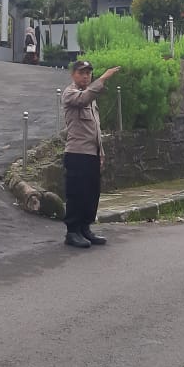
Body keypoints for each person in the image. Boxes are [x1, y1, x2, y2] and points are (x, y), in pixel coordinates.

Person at [61, 59, 121, 248]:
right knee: (76, 193)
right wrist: (103, 78)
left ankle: (85, 228)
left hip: (91, 153)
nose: (86, 76)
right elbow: (83, 98)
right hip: (77, 153)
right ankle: (73, 231)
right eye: (81, 73)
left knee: (91, 194)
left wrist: (100, 152)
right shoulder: (70, 93)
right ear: (73, 75)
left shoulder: (90, 97)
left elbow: (95, 129)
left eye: (88, 73)